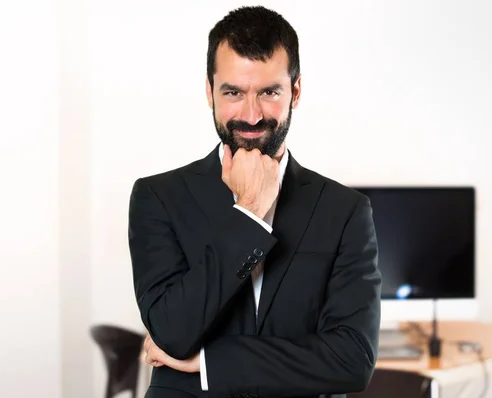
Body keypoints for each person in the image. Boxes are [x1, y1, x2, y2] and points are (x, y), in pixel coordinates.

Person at [129, 6, 381, 398]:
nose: (250, 115)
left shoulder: (346, 211)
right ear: (209, 92)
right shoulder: (157, 197)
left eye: (268, 92)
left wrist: (211, 362)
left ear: (295, 92)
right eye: (233, 92)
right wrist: (248, 212)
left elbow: (352, 359)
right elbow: (172, 331)